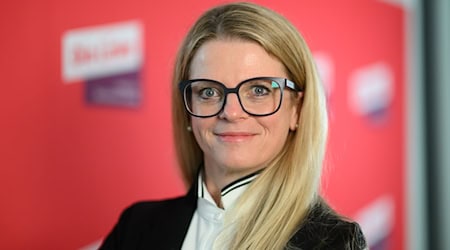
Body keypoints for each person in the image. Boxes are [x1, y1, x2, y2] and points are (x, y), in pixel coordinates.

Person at [100, 2, 367, 249]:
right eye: (208, 92)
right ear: (187, 109)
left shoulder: (332, 242)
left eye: (259, 90)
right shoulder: (136, 226)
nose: (231, 112)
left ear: (296, 109)